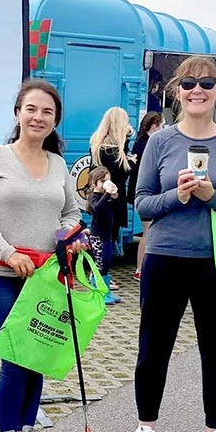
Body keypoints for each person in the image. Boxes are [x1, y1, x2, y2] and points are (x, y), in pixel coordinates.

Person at [126, 56, 216, 432]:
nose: (197, 90)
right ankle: (145, 428)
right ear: (176, 92)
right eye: (189, 84)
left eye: (207, 83)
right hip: (165, 258)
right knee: (153, 348)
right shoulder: (160, 142)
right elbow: (141, 201)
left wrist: (211, 197)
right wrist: (176, 197)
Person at [0, 79, 82, 432]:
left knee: (37, 360)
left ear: (55, 121)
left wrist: (68, 237)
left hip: (46, 278)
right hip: (4, 275)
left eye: (47, 112)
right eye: (31, 109)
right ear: (18, 113)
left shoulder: (59, 165)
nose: (38, 117)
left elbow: (72, 212)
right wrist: (8, 252)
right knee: (16, 359)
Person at [89, 107, 133, 301]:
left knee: (104, 242)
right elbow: (121, 173)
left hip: (102, 199)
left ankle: (102, 280)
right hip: (112, 200)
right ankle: (100, 281)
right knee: (107, 241)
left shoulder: (97, 145)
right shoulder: (113, 149)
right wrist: (131, 162)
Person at [129, 112, 164, 279]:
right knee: (147, 232)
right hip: (147, 195)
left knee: (147, 232)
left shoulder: (139, 143)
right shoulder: (147, 146)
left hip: (140, 194)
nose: (163, 129)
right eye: (162, 125)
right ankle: (141, 269)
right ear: (155, 126)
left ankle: (141, 268)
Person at [87, 167, 120, 304]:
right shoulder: (94, 196)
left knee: (106, 263)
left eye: (108, 180)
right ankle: (97, 291)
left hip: (107, 236)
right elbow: (97, 208)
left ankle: (105, 290)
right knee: (99, 265)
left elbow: (116, 210)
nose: (106, 183)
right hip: (97, 237)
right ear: (94, 183)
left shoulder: (105, 197)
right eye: (103, 181)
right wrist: (107, 194)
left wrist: (114, 198)